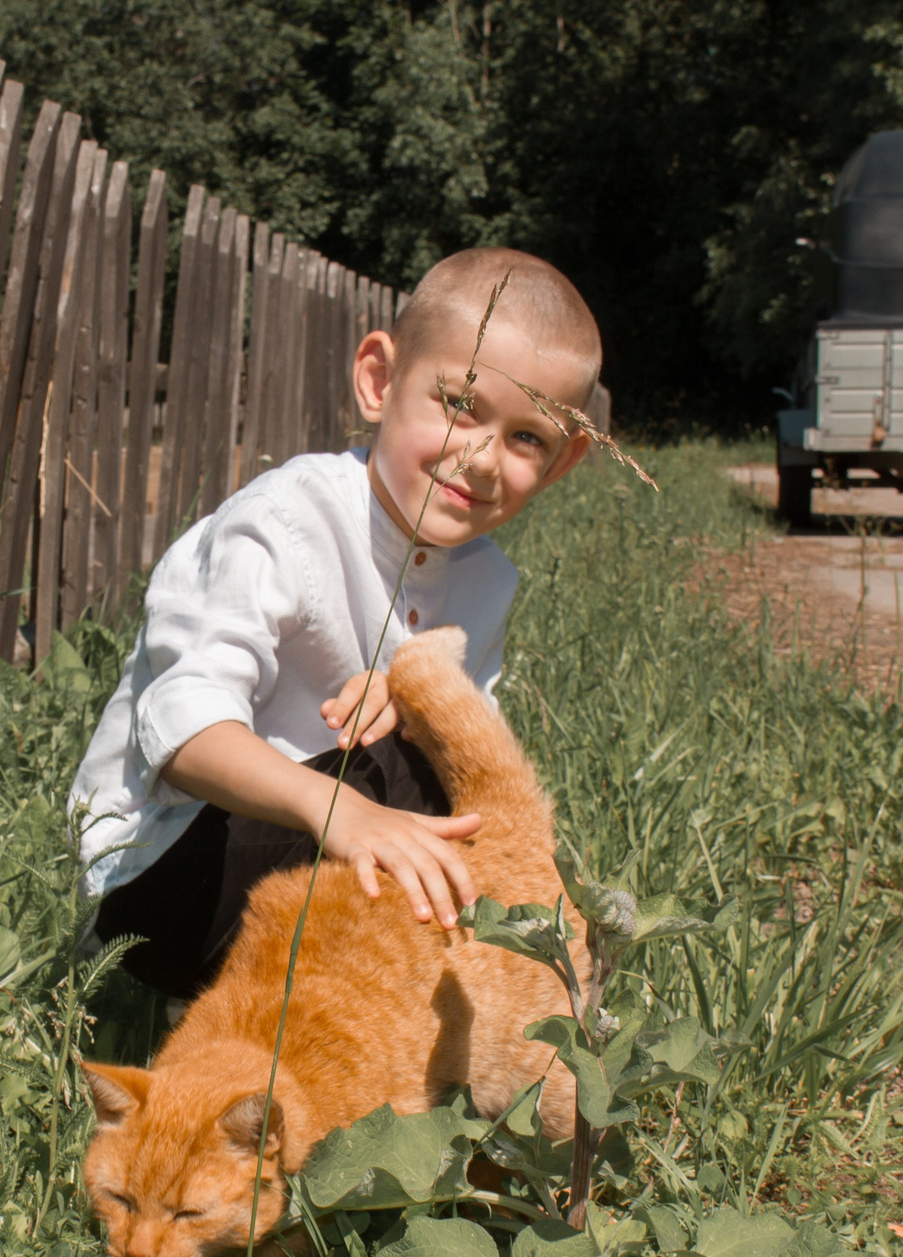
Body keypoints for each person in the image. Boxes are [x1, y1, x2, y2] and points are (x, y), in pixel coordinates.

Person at [69, 247, 602, 999]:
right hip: (160, 884)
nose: (482, 458)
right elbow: (182, 735)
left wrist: (417, 704)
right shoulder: (285, 521)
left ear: (563, 460)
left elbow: (475, 775)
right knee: (394, 769)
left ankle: (426, 1017)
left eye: (527, 439)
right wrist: (342, 808)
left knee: (435, 755)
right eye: (460, 405)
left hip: (312, 874)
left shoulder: (488, 581)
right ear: (380, 381)